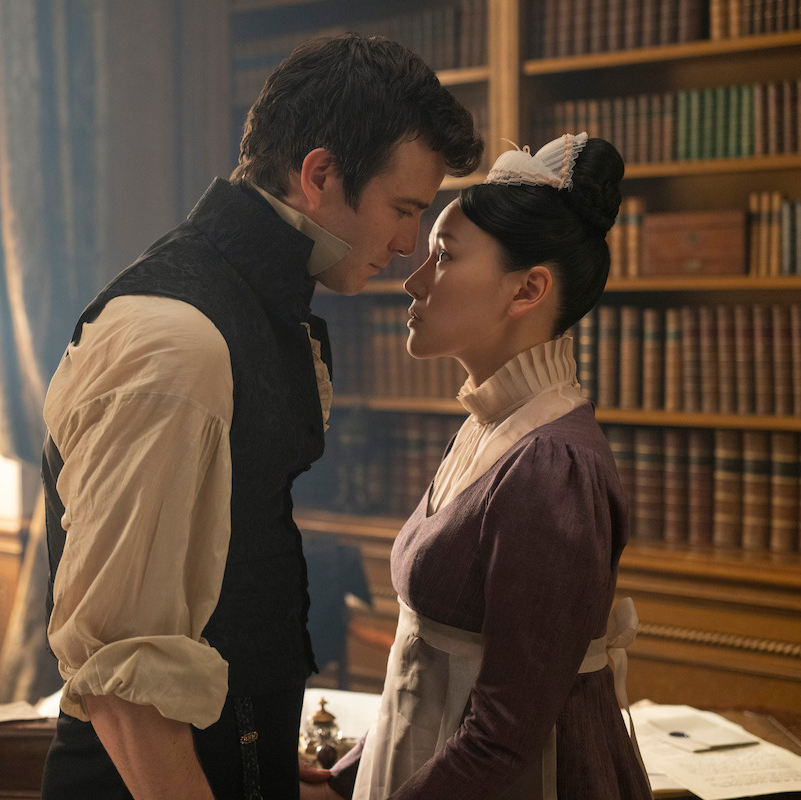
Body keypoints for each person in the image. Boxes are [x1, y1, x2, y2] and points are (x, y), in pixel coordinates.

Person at [39, 33, 483, 800]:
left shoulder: (255, 307)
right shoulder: (176, 340)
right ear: (318, 175)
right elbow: (119, 670)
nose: (410, 244)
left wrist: (267, 764)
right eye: (403, 209)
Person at [308, 133, 653, 800]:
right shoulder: (489, 428)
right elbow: (425, 678)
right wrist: (342, 781)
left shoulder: (552, 468)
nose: (413, 279)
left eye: (443, 257)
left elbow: (503, 737)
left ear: (527, 290)